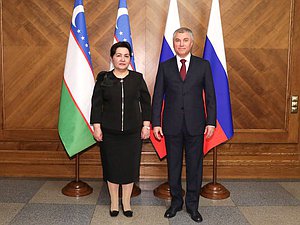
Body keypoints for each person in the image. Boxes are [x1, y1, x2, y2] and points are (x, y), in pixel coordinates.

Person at [152, 27, 216, 223]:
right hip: (171, 125)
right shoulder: (165, 66)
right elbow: (157, 97)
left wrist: (211, 121)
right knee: (174, 167)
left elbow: (211, 97)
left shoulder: (203, 65)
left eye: (185, 40)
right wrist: (156, 122)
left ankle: (193, 206)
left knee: (195, 168)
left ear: (191, 43)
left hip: (196, 125)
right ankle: (176, 203)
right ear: (173, 43)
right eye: (178, 40)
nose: (181, 43)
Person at [90, 41, 151, 218]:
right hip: (109, 132)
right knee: (112, 167)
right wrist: (97, 127)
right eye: (118, 55)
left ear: (130, 58)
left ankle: (127, 202)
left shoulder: (137, 78)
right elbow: (96, 105)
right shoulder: (104, 79)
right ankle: (114, 202)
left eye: (126, 56)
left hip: (133, 132)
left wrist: (146, 125)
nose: (122, 59)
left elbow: (146, 104)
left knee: (130, 168)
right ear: (112, 58)